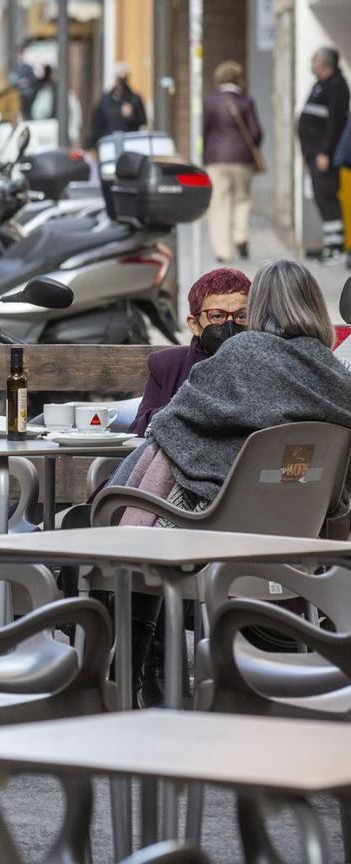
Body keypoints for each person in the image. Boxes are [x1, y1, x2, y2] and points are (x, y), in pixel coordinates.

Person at [112, 258, 351, 706]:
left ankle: (131, 682)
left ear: (257, 307)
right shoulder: (336, 375)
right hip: (300, 537)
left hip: (213, 532)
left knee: (141, 533)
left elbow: (171, 424)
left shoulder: (241, 355)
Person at [130, 268, 251, 437]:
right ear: (194, 324)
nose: (230, 324)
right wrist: (183, 409)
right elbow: (139, 430)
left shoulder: (266, 365)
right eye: (217, 316)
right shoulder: (167, 365)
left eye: (241, 316)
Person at [202, 61, 263, 264]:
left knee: (219, 203)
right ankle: (241, 237)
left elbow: (204, 131)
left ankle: (223, 251)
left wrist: (206, 155)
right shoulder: (246, 102)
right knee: (242, 200)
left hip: (215, 159)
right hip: (241, 159)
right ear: (239, 78)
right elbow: (256, 132)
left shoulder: (210, 102)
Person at [298, 47, 349, 265]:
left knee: (327, 197)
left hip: (323, 155)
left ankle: (335, 248)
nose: (312, 64)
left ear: (325, 64)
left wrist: (325, 152)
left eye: (315, 60)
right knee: (321, 197)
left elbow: (335, 124)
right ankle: (331, 245)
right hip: (313, 153)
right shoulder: (321, 85)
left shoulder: (337, 86)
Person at [86, 62, 147, 149]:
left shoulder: (134, 99)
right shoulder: (106, 99)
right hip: (108, 143)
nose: (121, 83)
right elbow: (97, 124)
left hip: (129, 144)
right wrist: (91, 145)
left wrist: (130, 117)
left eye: (124, 78)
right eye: (119, 78)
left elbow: (142, 121)